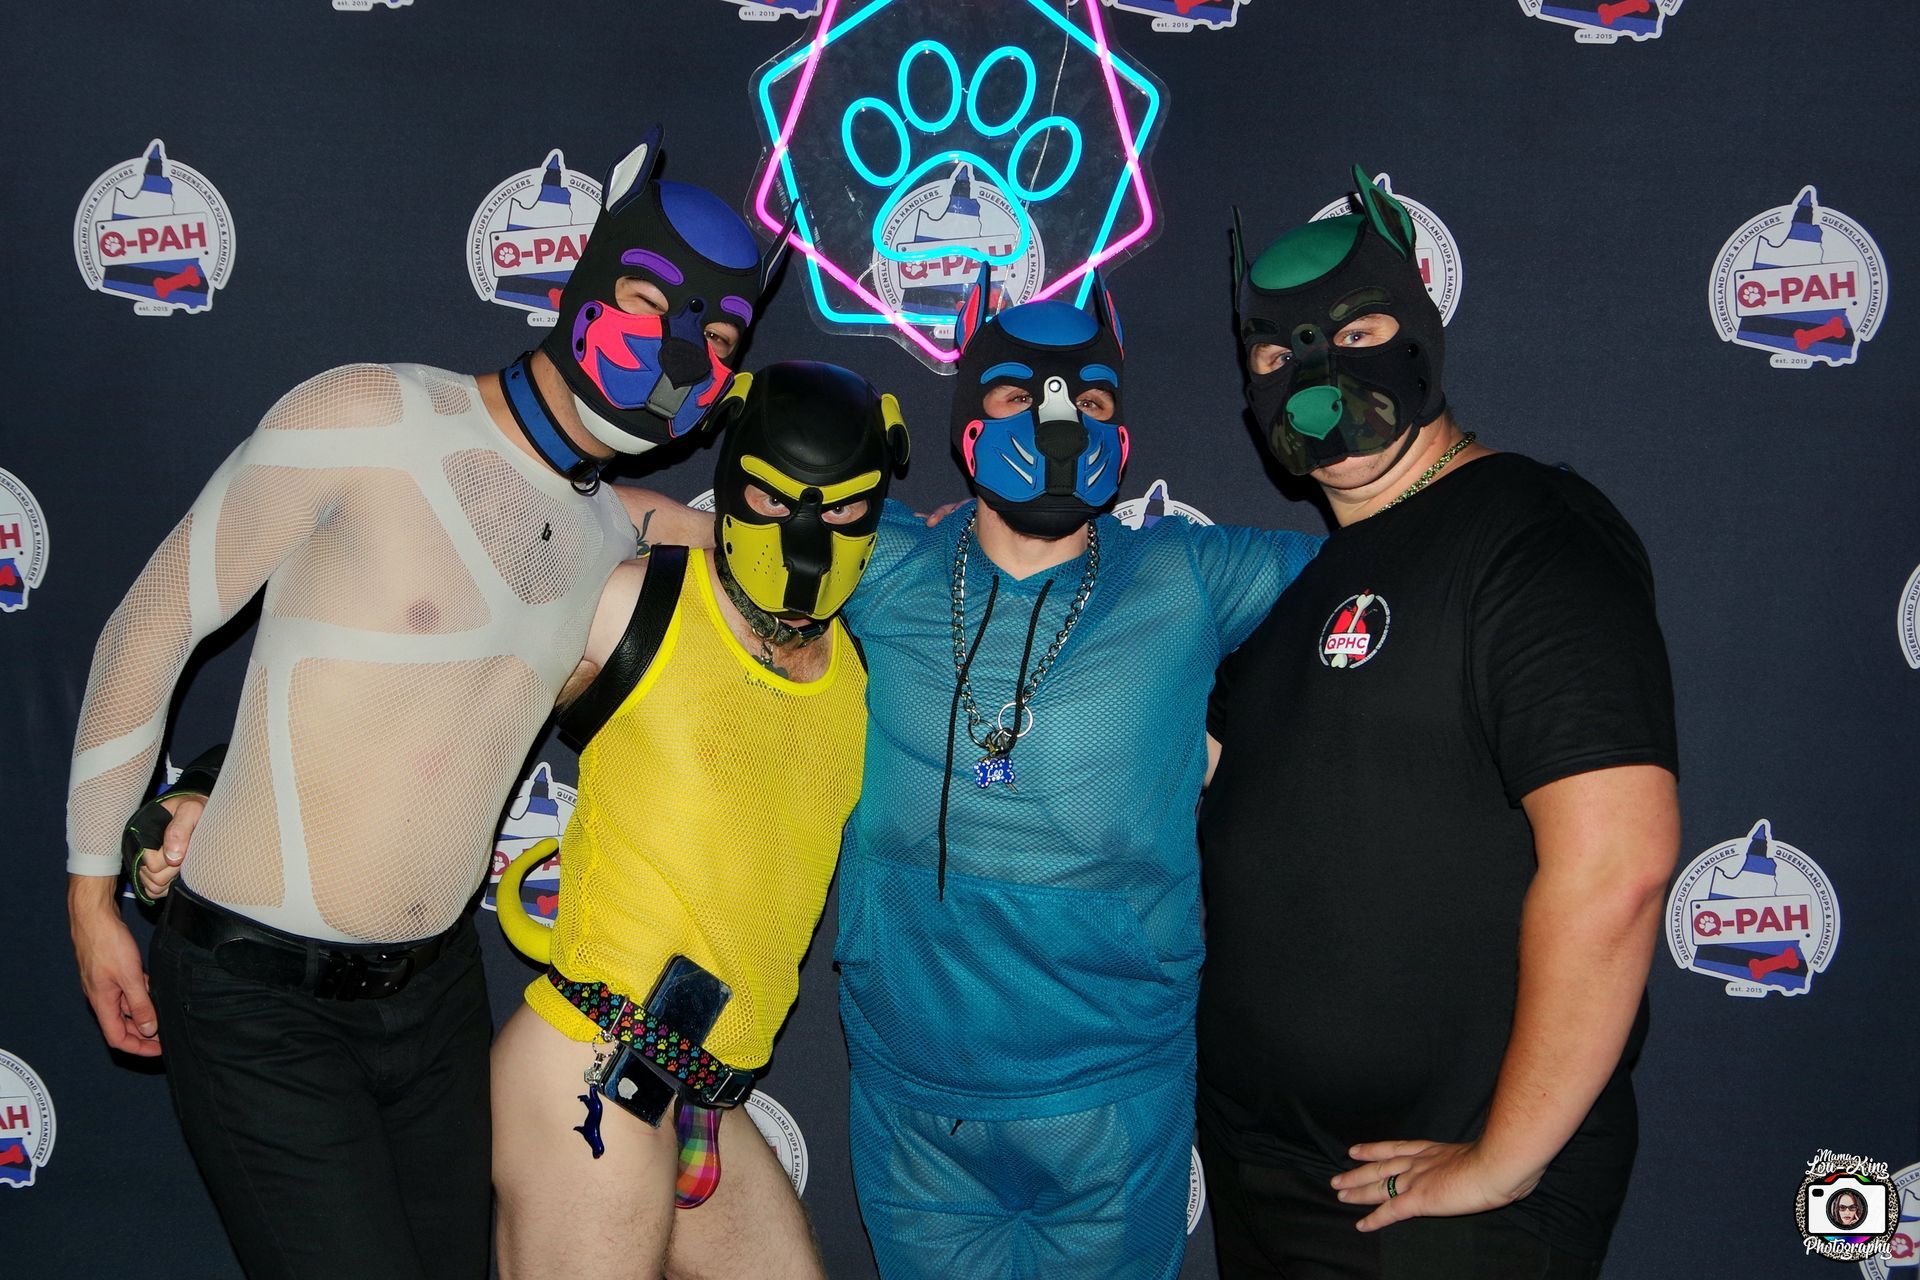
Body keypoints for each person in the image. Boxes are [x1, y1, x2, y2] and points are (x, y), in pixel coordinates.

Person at [73, 127, 785, 1280]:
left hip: (437, 999)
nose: (679, 349)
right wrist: (88, 892)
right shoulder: (369, 415)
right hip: (259, 1004)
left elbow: (796, 553)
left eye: (718, 337)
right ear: (590, 276)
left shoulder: (616, 532)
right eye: (654, 300)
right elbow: (151, 623)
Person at [1196, 168, 1680, 1279]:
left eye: (1356, 332)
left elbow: (1620, 862)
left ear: (1416, 333)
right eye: (1273, 357)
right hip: (1270, 1178)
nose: (1313, 376)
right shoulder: (1298, 592)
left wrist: (1502, 1161)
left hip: (1443, 1210)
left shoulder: (1528, 530)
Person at [826, 271, 1321, 1280]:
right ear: (969, 427)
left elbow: (1392, 575)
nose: (1059, 423)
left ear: (1122, 437)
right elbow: (711, 535)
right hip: (914, 1095)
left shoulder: (1187, 574)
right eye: (1019, 395)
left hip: (1112, 1091)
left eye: (1090, 400)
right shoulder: (884, 565)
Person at [487, 360, 909, 1279]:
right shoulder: (635, 600)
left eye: (841, 508)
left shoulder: (861, 666)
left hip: (710, 1092)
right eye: (772, 498)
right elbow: (442, 700)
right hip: (596, 1060)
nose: (806, 534)